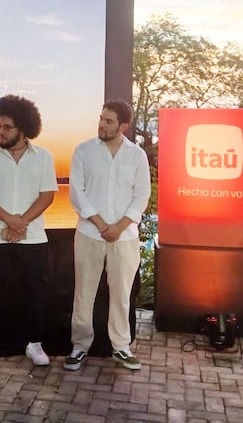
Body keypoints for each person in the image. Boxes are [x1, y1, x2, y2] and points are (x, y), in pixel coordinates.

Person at [0, 95, 58, 368]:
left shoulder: (44, 157)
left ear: (23, 128)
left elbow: (47, 196)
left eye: (7, 127)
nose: (1, 132)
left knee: (33, 293)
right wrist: (9, 220)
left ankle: (34, 344)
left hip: (33, 237)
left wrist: (21, 223)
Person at [64, 100, 151, 371]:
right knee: (84, 293)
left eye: (109, 121)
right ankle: (79, 346)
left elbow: (141, 195)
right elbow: (77, 192)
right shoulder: (84, 151)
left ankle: (121, 347)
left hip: (124, 238)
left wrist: (120, 226)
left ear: (123, 126)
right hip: (90, 233)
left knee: (122, 294)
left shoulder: (137, 155)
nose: (102, 124)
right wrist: (102, 224)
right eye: (101, 118)